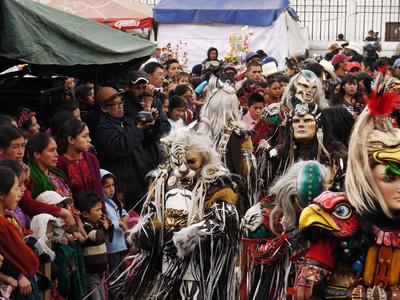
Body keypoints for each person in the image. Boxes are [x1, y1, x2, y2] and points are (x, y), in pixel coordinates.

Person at [114, 129, 239, 299]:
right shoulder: (163, 181)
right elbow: (152, 212)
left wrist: (190, 235)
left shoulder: (214, 183)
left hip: (197, 266)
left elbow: (224, 219)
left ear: (203, 159)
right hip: (166, 262)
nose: (183, 168)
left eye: (191, 162)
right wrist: (145, 230)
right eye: (177, 162)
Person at [241, 160, 329, 300]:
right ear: (292, 198)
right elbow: (254, 255)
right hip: (270, 287)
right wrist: (286, 239)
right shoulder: (260, 215)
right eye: (302, 205)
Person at [93, 87, 147, 212]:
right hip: (124, 187)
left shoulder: (126, 121)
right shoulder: (103, 128)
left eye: (120, 102)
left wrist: (151, 126)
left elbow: (145, 143)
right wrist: (138, 129)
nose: (120, 106)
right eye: (115, 104)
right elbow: (121, 147)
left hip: (138, 180)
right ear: (104, 108)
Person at [0, 166, 40, 299]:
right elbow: (23, 258)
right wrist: (18, 274)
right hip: (17, 283)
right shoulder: (3, 224)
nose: (19, 193)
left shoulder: (7, 218)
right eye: (16, 188)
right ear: (1, 194)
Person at [75, 192, 113, 300]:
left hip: (101, 272)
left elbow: (109, 237)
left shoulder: (97, 225)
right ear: (85, 214)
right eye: (97, 210)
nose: (101, 213)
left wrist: (109, 226)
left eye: (101, 209)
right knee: (95, 297)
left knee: (102, 296)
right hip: (91, 273)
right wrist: (104, 228)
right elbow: (97, 237)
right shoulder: (86, 227)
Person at [55, 118, 103, 200]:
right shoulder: (59, 163)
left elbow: (98, 190)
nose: (89, 140)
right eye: (84, 136)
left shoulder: (91, 159)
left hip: (95, 210)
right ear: (71, 140)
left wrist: (101, 210)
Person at [100, 169, 128, 300]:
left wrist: (125, 218)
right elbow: (108, 222)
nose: (111, 189)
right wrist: (120, 224)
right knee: (113, 275)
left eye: (112, 185)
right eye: (107, 186)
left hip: (119, 245)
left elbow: (123, 212)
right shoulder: (102, 204)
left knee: (118, 273)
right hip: (111, 247)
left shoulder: (113, 201)